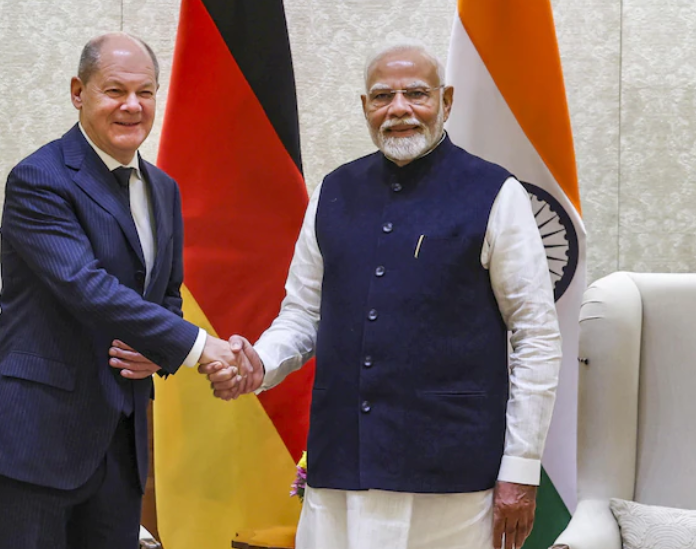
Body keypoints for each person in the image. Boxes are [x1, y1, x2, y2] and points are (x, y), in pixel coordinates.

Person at [203, 42, 562, 549]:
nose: (399, 108)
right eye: (382, 96)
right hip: (342, 468)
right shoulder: (333, 192)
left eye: (416, 94)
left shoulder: (496, 193)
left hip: (452, 476)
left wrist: (521, 468)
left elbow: (536, 336)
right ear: (366, 107)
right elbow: (303, 314)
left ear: (447, 101)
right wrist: (261, 362)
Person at [0, 32, 246, 549]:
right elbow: (87, 287)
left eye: (145, 92)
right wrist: (197, 346)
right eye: (114, 90)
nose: (131, 106)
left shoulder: (163, 188)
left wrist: (155, 354)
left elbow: (165, 293)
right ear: (79, 92)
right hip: (38, 437)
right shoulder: (40, 178)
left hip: (121, 444)